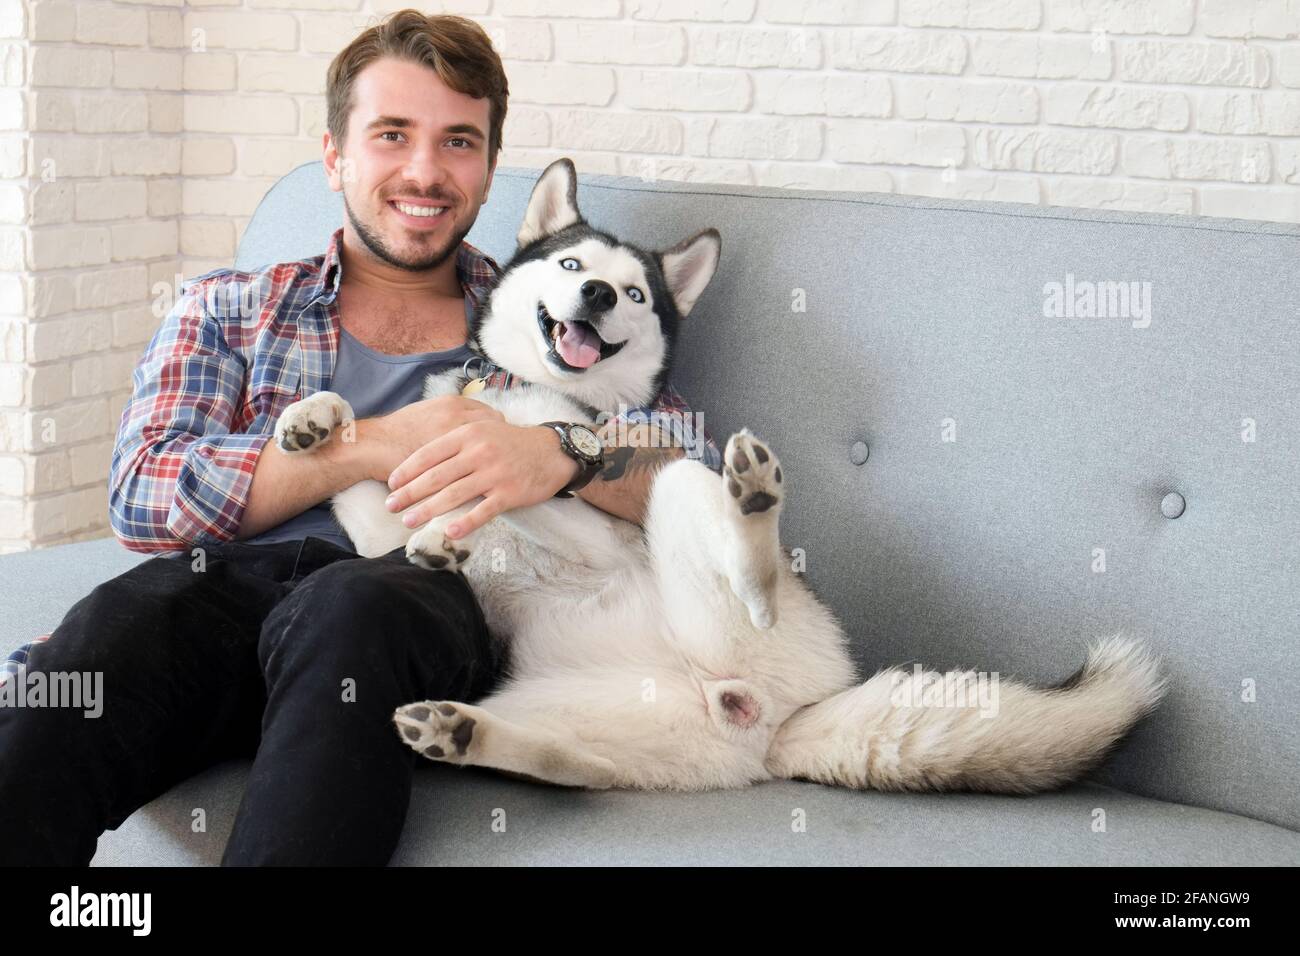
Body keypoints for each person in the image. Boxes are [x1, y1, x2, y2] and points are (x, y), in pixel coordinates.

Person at [0, 10, 718, 867]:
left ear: (489, 171)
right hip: (233, 594)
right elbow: (146, 495)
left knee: (354, 605)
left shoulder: (551, 313)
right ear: (335, 154)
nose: (425, 170)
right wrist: (370, 446)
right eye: (391, 135)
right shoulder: (231, 307)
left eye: (458, 141)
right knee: (119, 623)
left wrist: (563, 458)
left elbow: (693, 468)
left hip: (435, 602)